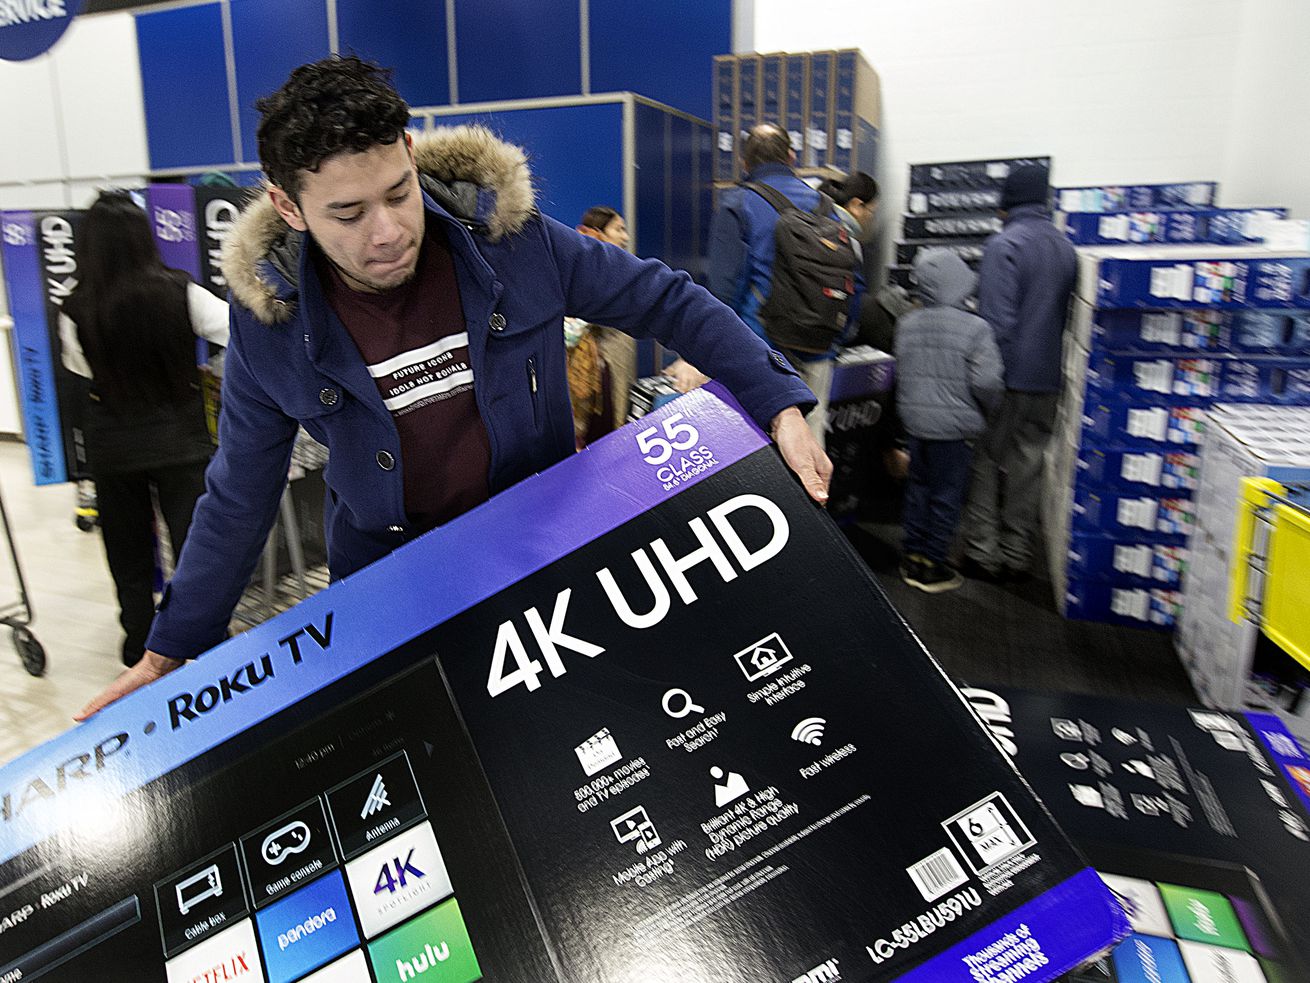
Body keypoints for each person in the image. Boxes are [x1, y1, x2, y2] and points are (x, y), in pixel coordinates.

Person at [77, 56, 829, 718]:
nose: (388, 231)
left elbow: (665, 299)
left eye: (398, 193)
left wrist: (777, 399)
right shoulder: (268, 325)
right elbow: (240, 492)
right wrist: (171, 646)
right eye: (347, 212)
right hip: (392, 590)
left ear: (410, 153)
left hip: (542, 558)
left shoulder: (513, 240)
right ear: (286, 206)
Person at [58, 192, 230, 666]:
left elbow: (83, 372)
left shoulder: (74, 311)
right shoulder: (181, 291)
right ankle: (202, 639)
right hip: (181, 439)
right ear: (143, 236)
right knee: (195, 547)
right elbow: (236, 330)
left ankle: (138, 644)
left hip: (114, 447)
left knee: (128, 552)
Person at [706, 122, 861, 451]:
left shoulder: (737, 204)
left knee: (759, 456)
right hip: (821, 349)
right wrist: (837, 336)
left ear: (745, 163)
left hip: (761, 351)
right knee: (810, 452)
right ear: (792, 156)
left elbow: (723, 289)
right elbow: (854, 281)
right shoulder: (831, 210)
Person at [961, 163, 1076, 582]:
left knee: (986, 460)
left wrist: (985, 381)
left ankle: (982, 552)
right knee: (1029, 464)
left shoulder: (1004, 245)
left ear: (1006, 203)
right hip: (1048, 377)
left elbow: (997, 323)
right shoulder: (1065, 247)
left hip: (1009, 377)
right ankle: (1016, 552)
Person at [894, 249, 1003, 592]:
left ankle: (911, 557)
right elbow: (987, 382)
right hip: (955, 429)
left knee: (918, 490)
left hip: (914, 423)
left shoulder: (907, 324)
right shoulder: (976, 328)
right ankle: (933, 564)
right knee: (946, 495)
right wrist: (988, 410)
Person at [565, 206, 634, 442]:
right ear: (598, 233)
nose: (625, 237)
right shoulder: (586, 268)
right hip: (592, 369)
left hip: (613, 363)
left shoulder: (619, 269)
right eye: (619, 229)